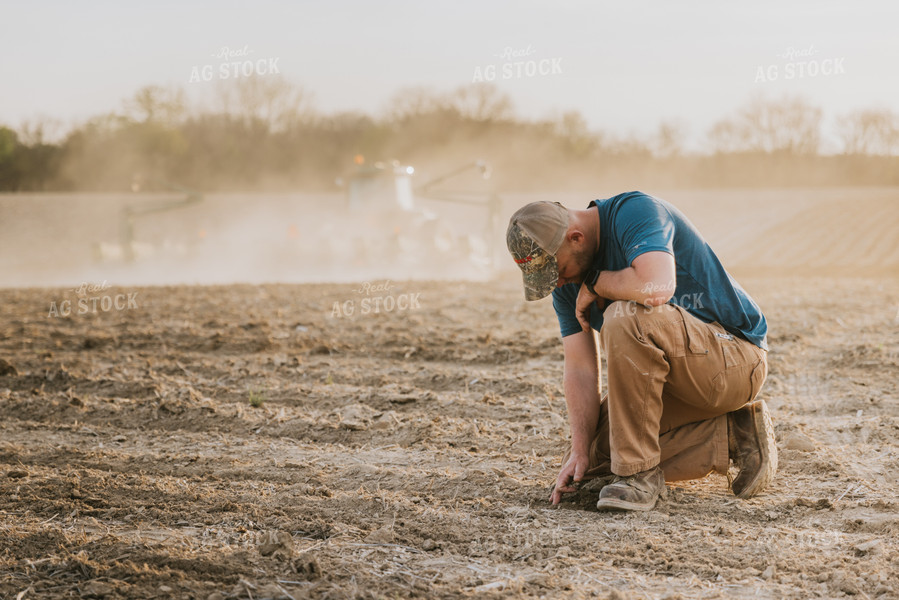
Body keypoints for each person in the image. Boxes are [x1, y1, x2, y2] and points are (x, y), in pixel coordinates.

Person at [506, 191, 776, 511]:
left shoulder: (635, 212)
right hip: (672, 378)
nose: (560, 282)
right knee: (591, 461)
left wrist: (596, 284)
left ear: (576, 237)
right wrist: (579, 450)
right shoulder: (566, 282)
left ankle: (638, 475)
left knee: (623, 316)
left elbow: (657, 286)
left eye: (558, 271)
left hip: (734, 361)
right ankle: (735, 434)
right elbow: (579, 368)